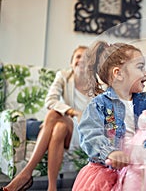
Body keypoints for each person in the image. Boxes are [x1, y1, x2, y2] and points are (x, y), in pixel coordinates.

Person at [71, 40, 146, 190]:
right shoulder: (99, 104)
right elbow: (89, 134)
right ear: (119, 73)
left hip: (137, 170)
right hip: (107, 173)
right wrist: (110, 152)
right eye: (140, 67)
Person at [0, 45, 91, 191]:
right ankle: (52, 187)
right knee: (59, 127)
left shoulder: (96, 85)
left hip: (84, 131)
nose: (81, 60)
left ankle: (25, 174)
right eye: (78, 56)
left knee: (54, 115)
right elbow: (50, 101)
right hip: (67, 124)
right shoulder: (63, 76)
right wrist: (73, 111)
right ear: (71, 62)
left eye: (86, 57)